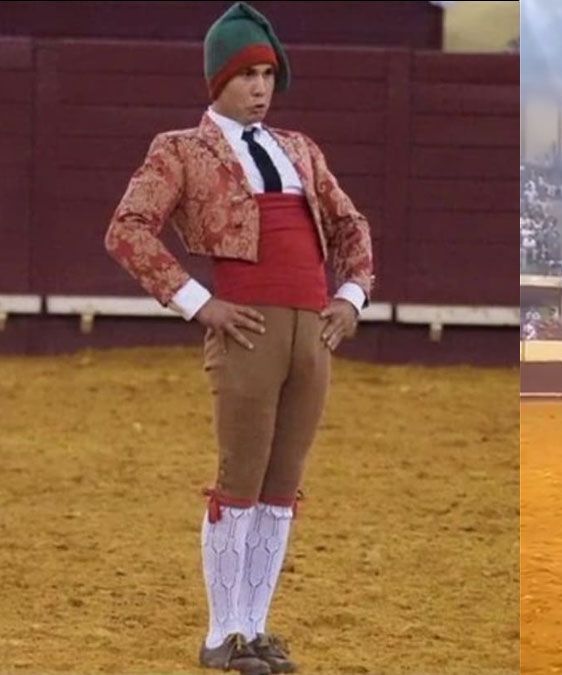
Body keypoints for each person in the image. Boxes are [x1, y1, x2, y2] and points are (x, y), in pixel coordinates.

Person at [103, 3, 374, 673]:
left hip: (312, 334)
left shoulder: (300, 149)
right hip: (246, 329)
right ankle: (220, 633)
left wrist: (352, 296)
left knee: (283, 488)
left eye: (269, 74)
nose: (261, 87)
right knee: (240, 483)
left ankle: (253, 627)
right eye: (248, 74)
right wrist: (200, 304)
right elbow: (127, 229)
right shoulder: (182, 149)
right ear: (217, 79)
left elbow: (350, 225)